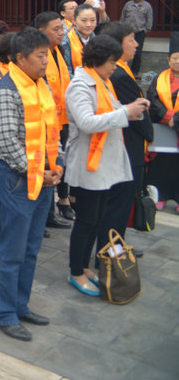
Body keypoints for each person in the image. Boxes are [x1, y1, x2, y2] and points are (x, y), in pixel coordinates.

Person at [0, 28, 63, 341]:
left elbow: (49, 131)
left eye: (47, 54)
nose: (46, 61)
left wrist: (55, 167)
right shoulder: (8, 90)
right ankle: (4, 312)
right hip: (18, 179)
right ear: (20, 58)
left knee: (31, 249)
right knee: (12, 250)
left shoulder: (39, 84)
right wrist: (38, 171)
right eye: (40, 56)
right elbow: (5, 142)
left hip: (42, 178)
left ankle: (20, 304)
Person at [64, 35, 147, 297]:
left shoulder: (102, 81)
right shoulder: (80, 85)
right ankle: (76, 270)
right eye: (112, 62)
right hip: (88, 164)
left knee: (96, 218)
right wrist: (125, 112)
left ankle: (84, 267)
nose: (114, 66)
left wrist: (129, 109)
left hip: (102, 164)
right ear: (98, 61)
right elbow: (87, 122)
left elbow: (108, 111)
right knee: (86, 221)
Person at [97, 22, 153, 254]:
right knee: (118, 203)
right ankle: (111, 251)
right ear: (118, 45)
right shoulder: (119, 75)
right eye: (131, 39)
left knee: (121, 202)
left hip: (128, 146)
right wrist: (151, 136)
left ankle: (116, 244)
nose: (136, 43)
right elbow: (137, 117)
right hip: (128, 147)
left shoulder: (121, 70)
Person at [34, 11, 74, 227]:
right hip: (46, 122)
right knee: (46, 165)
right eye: (56, 29)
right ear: (42, 32)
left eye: (62, 28)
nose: (61, 33)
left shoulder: (58, 52)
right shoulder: (38, 56)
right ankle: (46, 216)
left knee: (58, 164)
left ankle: (53, 211)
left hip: (62, 119)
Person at [146, 32, 179, 211]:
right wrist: (168, 117)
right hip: (163, 128)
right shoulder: (160, 79)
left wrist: (177, 119)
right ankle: (161, 195)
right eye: (175, 58)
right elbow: (153, 99)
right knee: (161, 164)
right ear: (168, 60)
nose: (178, 62)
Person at [120, 0, 154, 75]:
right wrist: (121, 27)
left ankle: (134, 72)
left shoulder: (147, 6)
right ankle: (123, 68)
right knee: (123, 49)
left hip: (139, 32)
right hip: (127, 31)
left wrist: (146, 29)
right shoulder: (128, 4)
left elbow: (149, 19)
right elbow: (123, 17)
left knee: (137, 52)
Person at [62, 3, 98, 75]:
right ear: (74, 21)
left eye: (92, 20)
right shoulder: (65, 41)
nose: (88, 24)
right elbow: (66, 72)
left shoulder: (97, 40)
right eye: (84, 20)